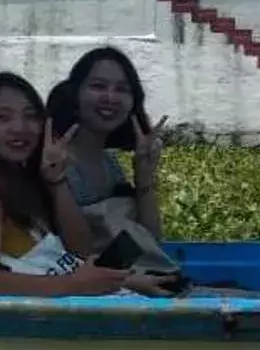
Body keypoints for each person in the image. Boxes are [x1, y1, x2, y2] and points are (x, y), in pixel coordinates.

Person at [0, 72, 168, 297]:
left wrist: (56, 182)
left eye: (30, 117)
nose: (20, 127)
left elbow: (79, 251)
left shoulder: (24, 184)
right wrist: (75, 285)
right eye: (2, 118)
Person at [46, 47, 173, 273]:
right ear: (75, 94)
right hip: (97, 296)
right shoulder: (56, 164)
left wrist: (144, 179)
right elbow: (75, 256)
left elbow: (149, 243)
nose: (110, 98)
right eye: (98, 86)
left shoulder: (110, 163)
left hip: (140, 285)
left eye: (122, 89)